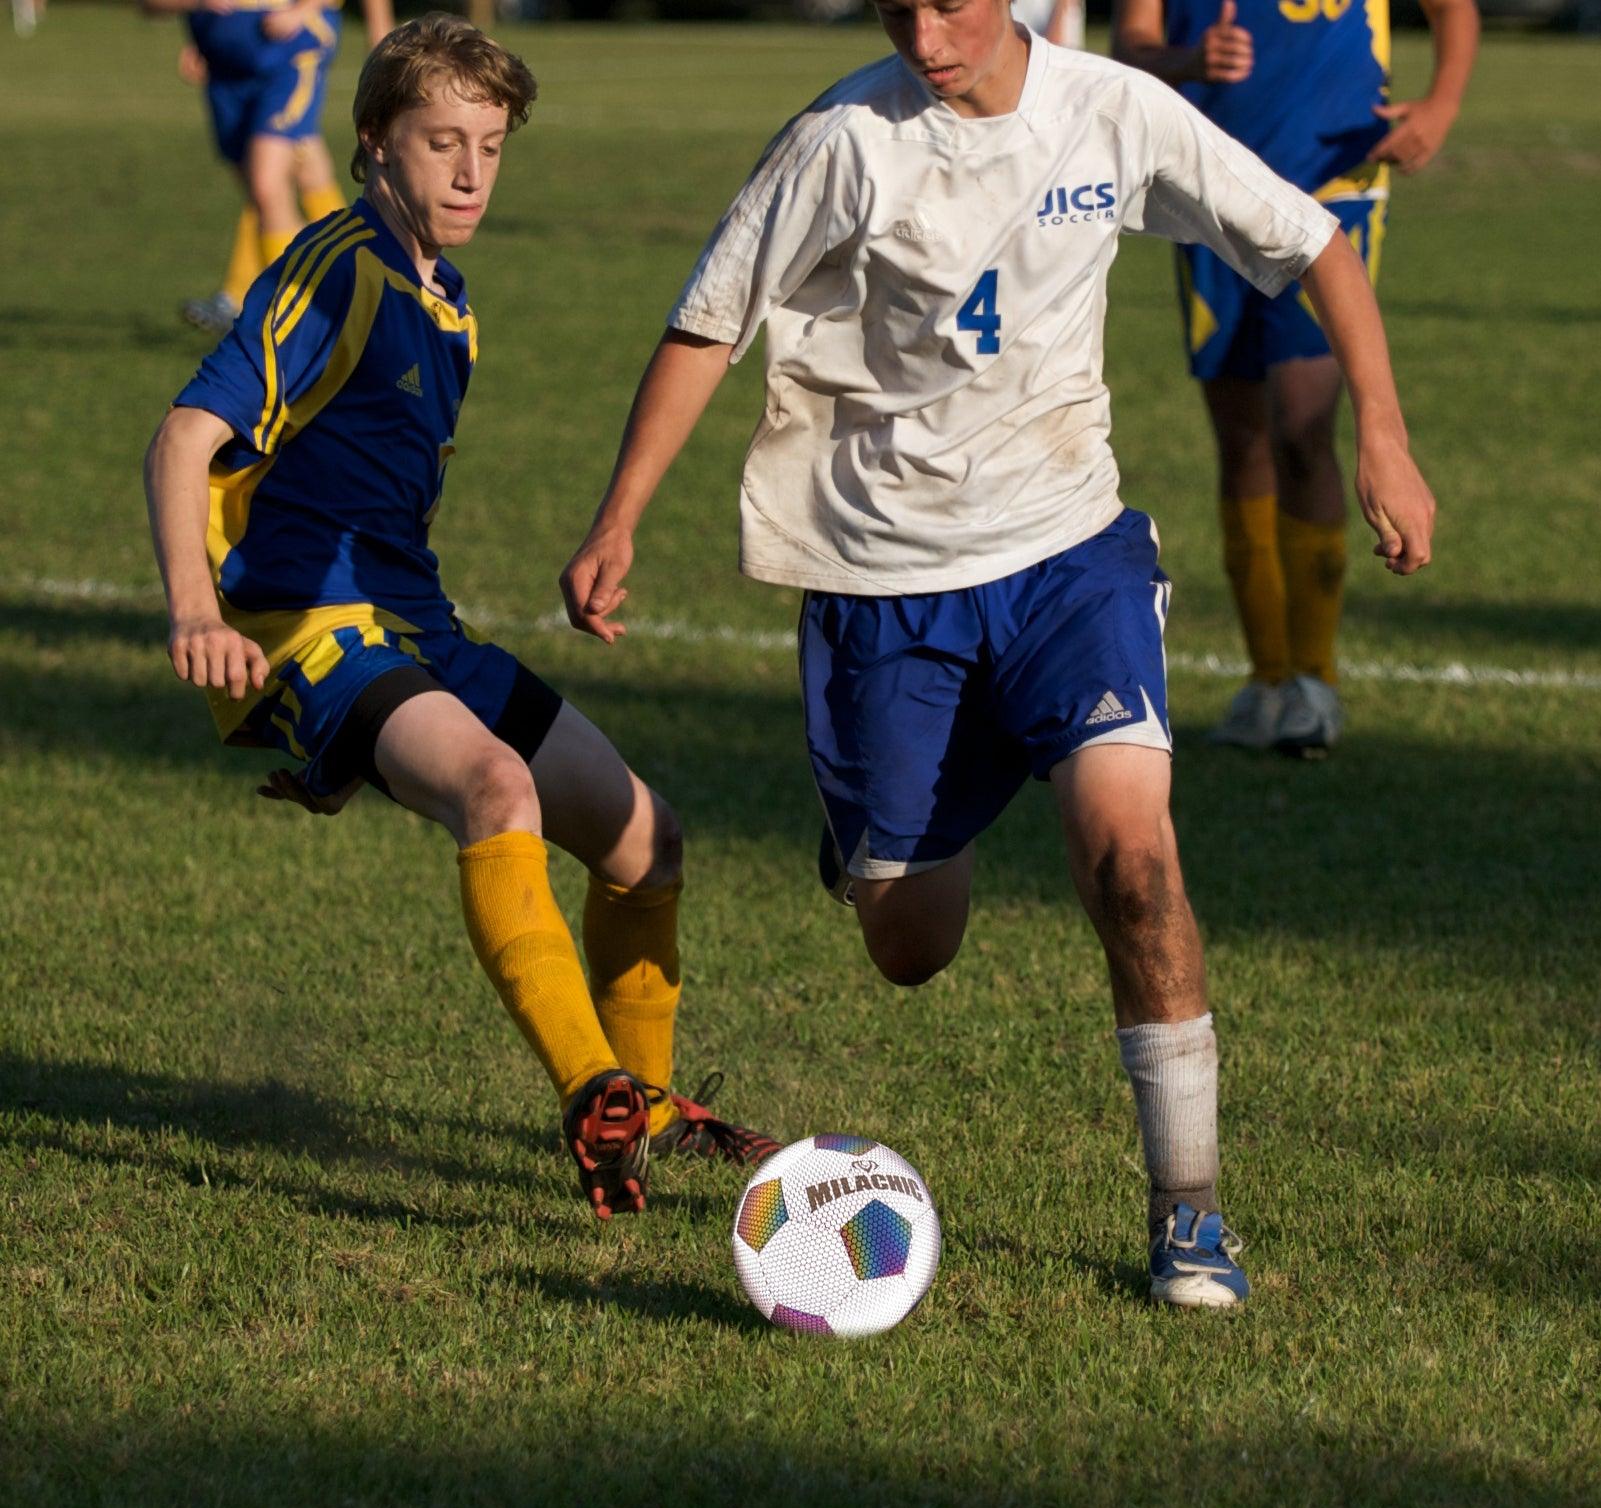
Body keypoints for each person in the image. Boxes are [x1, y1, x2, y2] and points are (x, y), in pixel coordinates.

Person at [561, 0, 1433, 1304]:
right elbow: (710, 318)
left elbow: (1313, 244)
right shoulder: (843, 139)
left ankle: (1188, 1215)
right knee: (911, 945)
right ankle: (872, 829)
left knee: (1133, 864)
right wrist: (618, 514)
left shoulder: (1110, 110)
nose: (925, 31)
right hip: (882, 584)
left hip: (1066, 553)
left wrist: (1384, 434)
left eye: (954, 2)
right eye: (898, 4)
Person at [143, 13, 777, 1222]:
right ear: (375, 141)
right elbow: (184, 437)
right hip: (317, 624)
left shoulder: (449, 300)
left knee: (651, 840)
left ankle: (639, 1101)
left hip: (415, 626)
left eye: (491, 144)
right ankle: (592, 1090)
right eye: (443, 143)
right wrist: (196, 617)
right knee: (499, 793)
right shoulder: (338, 267)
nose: (473, 172)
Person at [1113, 0, 1477, 754]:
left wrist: (1441, 103)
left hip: (1332, 180)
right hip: (1208, 193)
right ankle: (1265, 678)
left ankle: (1314, 680)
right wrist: (1189, 61)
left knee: (1302, 427)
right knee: (1241, 439)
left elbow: (1453, 9)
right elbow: (1132, 43)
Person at [144, 0, 396, 335]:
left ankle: (293, 310)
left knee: (266, 184)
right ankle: (363, 281)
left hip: (290, 52)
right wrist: (205, 26)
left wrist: (302, 11)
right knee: (295, 176)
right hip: (228, 70)